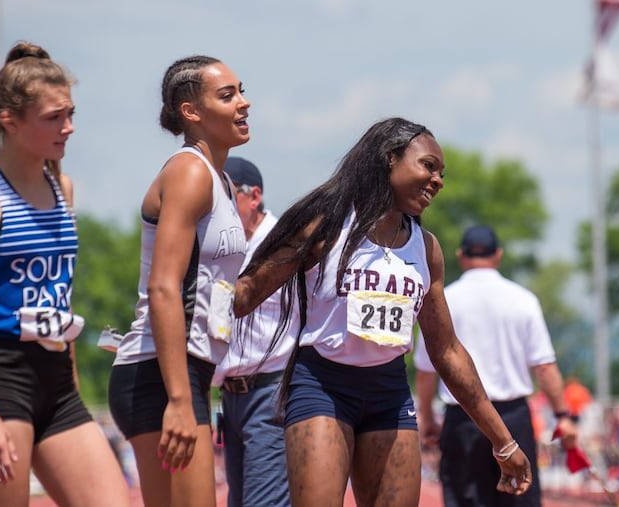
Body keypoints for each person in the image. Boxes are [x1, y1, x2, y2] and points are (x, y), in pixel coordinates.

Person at [233, 117, 533, 507]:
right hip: (322, 388)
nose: (438, 180)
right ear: (390, 159)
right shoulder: (324, 227)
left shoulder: (426, 249)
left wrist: (503, 441)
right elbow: (244, 296)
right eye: (428, 165)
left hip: (389, 394)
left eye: (442, 173)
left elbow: (446, 351)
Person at [0, 41, 130, 506]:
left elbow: (60, 299)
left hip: (58, 383)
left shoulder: (62, 187)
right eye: (54, 117)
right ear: (10, 121)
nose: (69, 127)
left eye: (71, 113)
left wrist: (72, 382)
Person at [107, 54, 250, 507]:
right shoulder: (189, 172)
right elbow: (164, 287)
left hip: (185, 373)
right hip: (158, 375)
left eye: (242, 91)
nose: (244, 103)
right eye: (227, 95)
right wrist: (179, 399)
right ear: (192, 111)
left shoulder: (220, 181)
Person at [414, 224, 578, 506]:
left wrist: (427, 417)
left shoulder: (443, 300)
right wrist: (563, 415)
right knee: (520, 498)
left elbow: (426, 371)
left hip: (461, 418)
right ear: (498, 255)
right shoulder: (523, 300)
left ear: (461, 256)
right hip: (512, 418)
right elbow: (544, 366)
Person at [212, 157, 296, 507]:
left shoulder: (284, 245)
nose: (217, 208)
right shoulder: (221, 246)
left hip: (270, 390)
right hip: (231, 396)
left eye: (226, 197)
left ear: (254, 196)